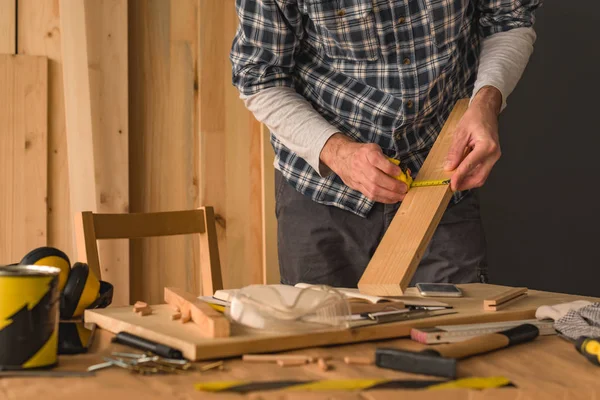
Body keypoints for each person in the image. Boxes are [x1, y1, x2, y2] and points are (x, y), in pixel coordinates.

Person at [230, 0, 541, 287]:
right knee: (324, 342)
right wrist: (337, 153)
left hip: (439, 182)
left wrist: (486, 102)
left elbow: (508, 21)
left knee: (456, 340)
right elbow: (259, 76)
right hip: (323, 192)